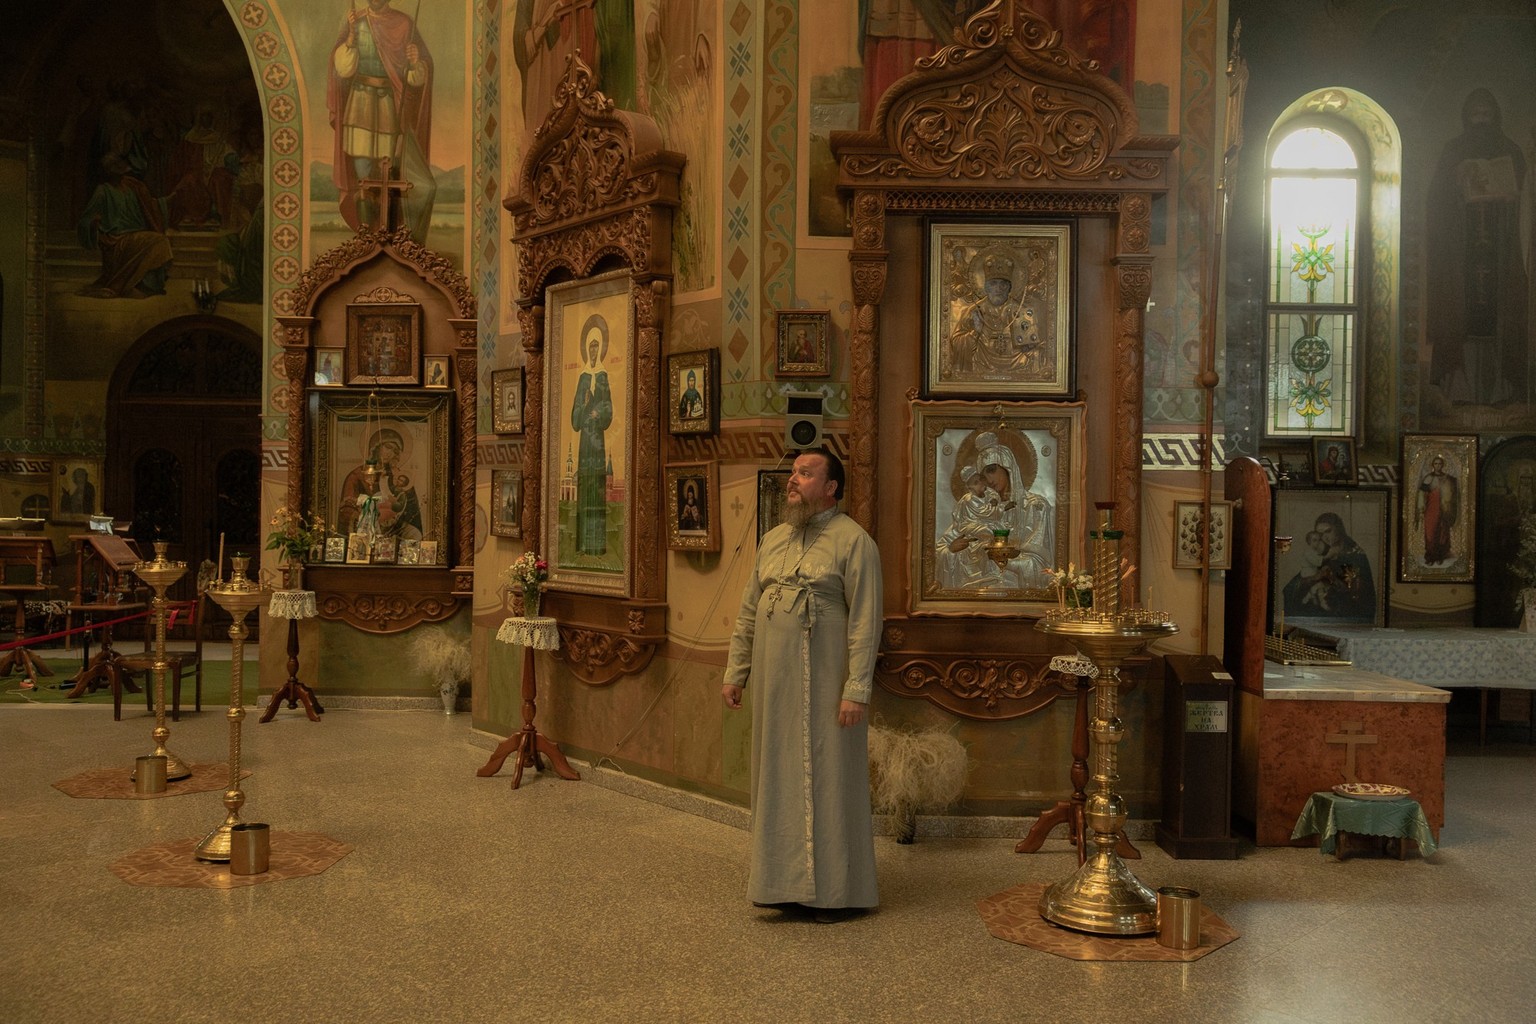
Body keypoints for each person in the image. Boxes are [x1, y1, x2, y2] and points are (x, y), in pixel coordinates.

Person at [721, 448, 882, 922]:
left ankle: (835, 893)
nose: (792, 480)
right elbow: (749, 611)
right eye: (793, 472)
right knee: (777, 775)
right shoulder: (773, 540)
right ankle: (781, 885)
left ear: (832, 487)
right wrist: (736, 672)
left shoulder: (855, 543)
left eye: (805, 473)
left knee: (829, 778)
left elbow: (867, 622)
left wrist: (857, 689)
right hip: (776, 686)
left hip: (830, 686)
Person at [1425, 87, 1528, 405]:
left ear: (1495, 117)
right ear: (1466, 118)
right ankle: (1458, 389)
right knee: (1460, 315)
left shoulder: (1511, 151)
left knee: (1502, 315)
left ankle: (1502, 389)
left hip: (1502, 246)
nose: (1481, 121)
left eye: (1486, 114)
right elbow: (1436, 199)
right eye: (1475, 114)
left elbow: (1526, 199)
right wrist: (1457, 183)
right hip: (1461, 248)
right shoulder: (1453, 151)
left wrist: (1511, 198)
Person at [327, 0, 435, 238]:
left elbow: (414, 80)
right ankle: (367, 237)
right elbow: (342, 70)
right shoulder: (356, 23)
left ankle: (391, 236)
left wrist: (415, 61)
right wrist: (350, 40)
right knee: (363, 173)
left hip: (389, 106)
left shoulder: (404, 25)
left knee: (391, 174)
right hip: (360, 104)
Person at [77, 154, 174, 298]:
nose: (121, 173)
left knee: (158, 241)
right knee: (158, 241)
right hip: (118, 239)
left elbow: (151, 205)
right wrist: (93, 222)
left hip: (136, 235)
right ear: (109, 172)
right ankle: (127, 286)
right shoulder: (103, 191)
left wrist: (167, 201)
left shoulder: (133, 187)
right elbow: (85, 220)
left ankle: (144, 286)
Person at [570, 315, 613, 555]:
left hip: (598, 443)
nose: (595, 350)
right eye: (592, 346)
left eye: (597, 345)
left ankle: (598, 546)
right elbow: (575, 419)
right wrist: (585, 404)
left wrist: (599, 411)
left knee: (597, 490)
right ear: (587, 349)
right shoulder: (583, 378)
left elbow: (609, 409)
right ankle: (584, 546)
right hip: (585, 442)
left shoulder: (604, 377)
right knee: (585, 490)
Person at [1282, 511, 1375, 621]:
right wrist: (1313, 578)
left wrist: (1330, 580)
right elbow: (1291, 587)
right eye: (1320, 534)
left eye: (1328, 531)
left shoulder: (1353, 555)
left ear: (1339, 529)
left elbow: (1357, 595)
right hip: (1319, 613)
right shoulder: (1323, 554)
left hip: (1342, 616)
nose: (1324, 538)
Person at [336, 427, 424, 541]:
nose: (390, 453)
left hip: (395, 526)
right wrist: (367, 516)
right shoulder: (357, 475)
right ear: (376, 447)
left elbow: (411, 511)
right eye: (387, 447)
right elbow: (346, 509)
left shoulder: (399, 476)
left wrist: (403, 500)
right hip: (366, 525)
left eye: (395, 451)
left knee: (414, 534)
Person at [1415, 455, 1459, 566]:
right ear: (1432, 465)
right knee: (1430, 531)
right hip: (1431, 509)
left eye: (1440, 464)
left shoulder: (1447, 478)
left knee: (1442, 532)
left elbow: (1453, 493)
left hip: (1444, 509)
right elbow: (1421, 493)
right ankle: (1431, 556)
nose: (1438, 466)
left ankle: (1440, 556)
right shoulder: (1428, 478)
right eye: (1436, 464)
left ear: (1443, 465)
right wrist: (1421, 507)